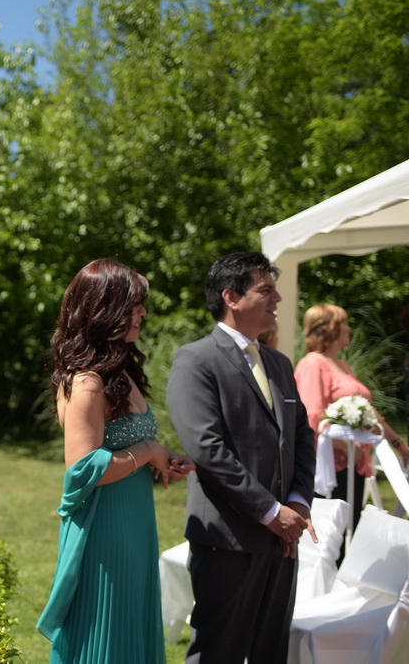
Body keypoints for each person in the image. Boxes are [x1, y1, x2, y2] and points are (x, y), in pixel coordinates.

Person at [37, 258, 194, 663]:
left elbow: (128, 446)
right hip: (104, 531)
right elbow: (84, 469)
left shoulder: (120, 371)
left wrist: (163, 461)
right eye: (134, 305)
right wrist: (149, 453)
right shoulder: (87, 382)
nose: (142, 313)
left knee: (132, 631)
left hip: (134, 524)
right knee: (107, 636)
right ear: (106, 310)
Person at [166, 251, 317, 664]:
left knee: (271, 649)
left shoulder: (279, 364)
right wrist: (270, 512)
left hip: (284, 537)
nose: (277, 300)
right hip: (227, 539)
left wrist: (298, 505)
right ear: (231, 297)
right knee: (220, 652)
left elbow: (303, 437)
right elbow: (206, 448)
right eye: (266, 290)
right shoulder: (196, 360)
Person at [294, 304, 409, 529]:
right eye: (344, 323)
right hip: (331, 465)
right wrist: (344, 445)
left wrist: (399, 444)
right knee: (333, 532)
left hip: (353, 463)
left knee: (349, 526)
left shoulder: (342, 365)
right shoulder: (312, 364)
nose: (349, 328)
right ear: (331, 329)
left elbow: (370, 413)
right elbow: (311, 416)